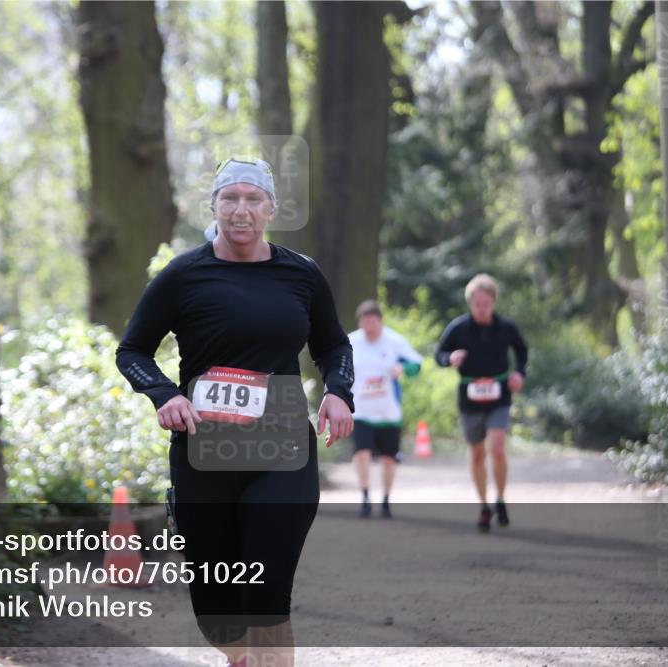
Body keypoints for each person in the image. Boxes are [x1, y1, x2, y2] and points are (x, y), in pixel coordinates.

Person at [116, 157, 354, 667]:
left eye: (252, 199)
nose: (241, 209)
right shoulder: (183, 275)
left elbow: (333, 346)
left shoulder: (302, 275)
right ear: (215, 207)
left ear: (271, 209)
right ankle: (238, 655)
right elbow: (131, 350)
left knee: (267, 595)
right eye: (230, 198)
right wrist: (164, 394)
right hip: (206, 453)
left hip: (282, 446)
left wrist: (339, 391)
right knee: (219, 613)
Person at [435, 274, 528, 532]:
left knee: (497, 447)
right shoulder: (458, 328)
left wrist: (519, 373)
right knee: (477, 454)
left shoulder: (506, 328)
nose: (482, 309)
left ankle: (500, 498)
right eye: (477, 304)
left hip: (499, 396)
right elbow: (438, 354)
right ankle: (484, 506)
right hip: (470, 397)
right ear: (470, 303)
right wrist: (450, 358)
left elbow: (522, 351)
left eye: (486, 304)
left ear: (494, 302)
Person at [348, 299, 422, 519]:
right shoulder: (351, 342)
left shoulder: (394, 341)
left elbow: (417, 364)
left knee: (388, 459)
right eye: (365, 321)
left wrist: (403, 368)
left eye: (373, 321)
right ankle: (365, 497)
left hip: (389, 413)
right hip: (360, 410)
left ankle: (386, 499)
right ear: (360, 322)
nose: (369, 326)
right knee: (361, 454)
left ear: (380, 321)